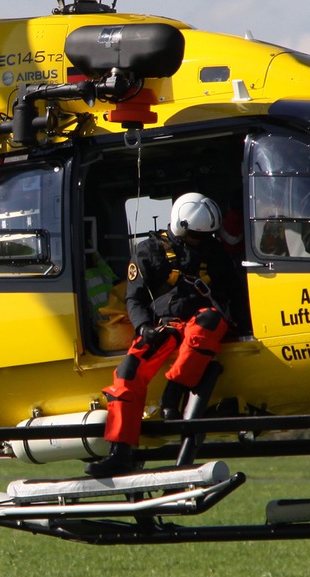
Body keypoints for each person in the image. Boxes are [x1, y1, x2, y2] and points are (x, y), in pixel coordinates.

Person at [86, 191, 235, 475]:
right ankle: (120, 451)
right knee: (127, 373)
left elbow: (230, 292)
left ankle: (173, 393)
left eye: (207, 236)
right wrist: (144, 327)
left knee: (209, 321)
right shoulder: (148, 251)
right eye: (196, 236)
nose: (202, 241)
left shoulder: (214, 253)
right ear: (181, 226)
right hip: (162, 327)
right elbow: (134, 298)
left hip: (199, 321)